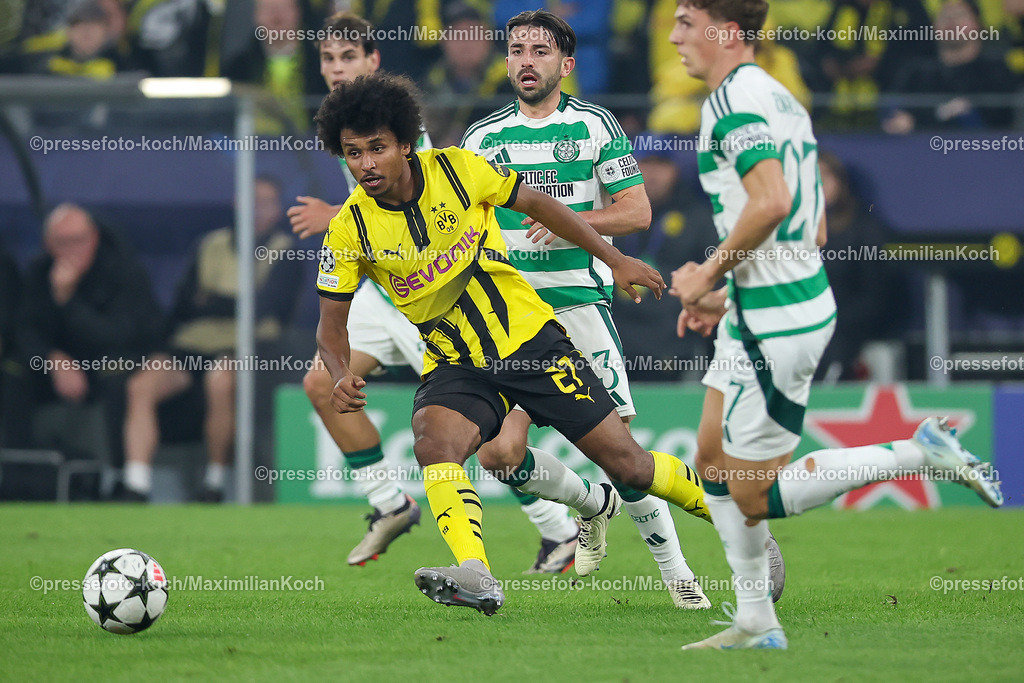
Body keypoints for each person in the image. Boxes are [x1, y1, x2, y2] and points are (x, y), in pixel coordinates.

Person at [314, 70, 739, 617]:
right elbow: (330, 326)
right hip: (457, 362)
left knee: (630, 466)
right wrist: (340, 372)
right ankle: (476, 572)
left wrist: (615, 259)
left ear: (404, 144)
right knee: (434, 443)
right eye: (353, 153)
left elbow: (541, 205)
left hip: (531, 343)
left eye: (377, 148)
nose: (367, 164)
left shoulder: (458, 169)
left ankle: (742, 524)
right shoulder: (349, 229)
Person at [666, 0, 1003, 649]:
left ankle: (920, 450)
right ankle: (754, 619)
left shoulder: (733, 102)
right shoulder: (782, 98)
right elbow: (814, 226)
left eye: (686, 21)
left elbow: (772, 202)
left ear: (726, 32)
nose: (675, 36)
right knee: (709, 460)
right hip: (765, 304)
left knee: (753, 494)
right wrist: (731, 293)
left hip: (778, 318)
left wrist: (706, 275)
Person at [292, 11, 576, 569]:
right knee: (322, 382)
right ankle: (389, 503)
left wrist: (334, 213)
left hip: (434, 294)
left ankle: (560, 528)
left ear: (373, 60)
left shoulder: (397, 129)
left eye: (349, 57)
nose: (337, 68)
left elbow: (412, 193)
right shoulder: (346, 127)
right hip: (385, 294)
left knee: (484, 434)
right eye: (328, 58)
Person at [461, 10, 715, 609]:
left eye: (540, 51)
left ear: (566, 64)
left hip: (577, 304)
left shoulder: (594, 125)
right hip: (511, 314)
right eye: (517, 50)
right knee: (498, 454)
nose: (526, 61)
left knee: (623, 457)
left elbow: (637, 212)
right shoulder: (481, 138)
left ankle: (678, 575)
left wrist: (572, 222)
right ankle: (590, 504)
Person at [120, 176, 301, 502]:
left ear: (277, 210)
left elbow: (264, 308)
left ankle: (215, 482)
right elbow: (184, 304)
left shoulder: (285, 251)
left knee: (220, 381)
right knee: (141, 385)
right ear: (237, 203)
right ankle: (136, 483)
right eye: (252, 200)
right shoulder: (210, 244)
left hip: (249, 347)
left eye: (266, 202)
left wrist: (213, 300)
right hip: (193, 345)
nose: (257, 209)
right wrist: (230, 302)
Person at [4, 204, 162, 466]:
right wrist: (52, 358)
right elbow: (25, 329)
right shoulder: (39, 273)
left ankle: (119, 474)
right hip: (56, 365)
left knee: (118, 374)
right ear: (48, 245)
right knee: (13, 369)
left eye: (79, 240)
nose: (73, 249)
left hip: (109, 360)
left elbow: (121, 335)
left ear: (94, 237)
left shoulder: (123, 270)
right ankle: (17, 468)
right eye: (63, 242)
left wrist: (68, 301)